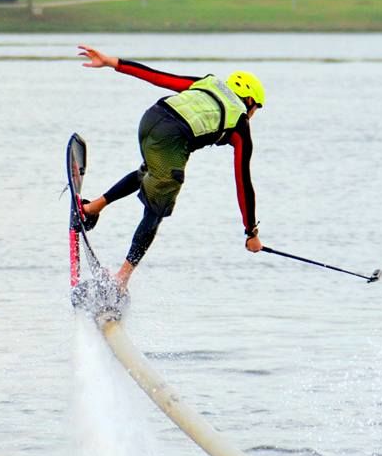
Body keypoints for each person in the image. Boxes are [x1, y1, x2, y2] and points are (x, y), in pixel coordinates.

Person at [77, 45, 265, 295]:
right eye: (256, 109)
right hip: (173, 137)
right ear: (249, 100)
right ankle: (121, 279)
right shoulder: (239, 123)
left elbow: (159, 77)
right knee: (157, 207)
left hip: (151, 119)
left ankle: (91, 208)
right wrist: (251, 232)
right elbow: (243, 183)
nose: (252, 114)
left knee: (149, 172)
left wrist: (113, 62)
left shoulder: (207, 84)